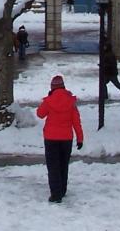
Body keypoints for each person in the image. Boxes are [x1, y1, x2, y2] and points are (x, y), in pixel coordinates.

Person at [36, 75, 84, 203]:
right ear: (63, 86)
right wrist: (80, 138)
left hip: (51, 138)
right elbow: (76, 122)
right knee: (63, 165)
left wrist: (48, 99)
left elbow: (40, 114)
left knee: (53, 167)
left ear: (52, 88)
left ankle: (55, 194)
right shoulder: (71, 101)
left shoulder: (49, 101)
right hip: (66, 138)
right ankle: (62, 189)